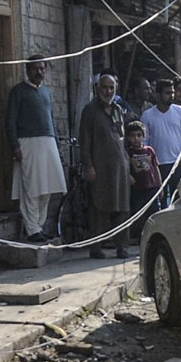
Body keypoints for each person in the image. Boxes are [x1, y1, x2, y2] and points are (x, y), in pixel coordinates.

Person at [5, 55, 64, 244]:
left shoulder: (46, 92)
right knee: (31, 188)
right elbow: (10, 120)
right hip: (28, 143)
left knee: (47, 187)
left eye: (42, 69)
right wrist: (15, 145)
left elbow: (51, 118)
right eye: (35, 69)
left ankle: (40, 226)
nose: (39, 72)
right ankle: (32, 229)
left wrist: (56, 141)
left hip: (48, 142)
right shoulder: (19, 92)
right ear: (28, 70)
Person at [77, 73, 132, 260]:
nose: (107, 91)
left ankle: (122, 246)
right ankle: (96, 247)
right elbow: (85, 142)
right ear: (97, 89)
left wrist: (127, 165)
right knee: (99, 208)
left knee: (122, 208)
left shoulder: (117, 109)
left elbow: (122, 139)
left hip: (120, 168)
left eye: (111, 88)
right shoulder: (90, 111)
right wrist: (89, 166)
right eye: (104, 87)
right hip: (100, 168)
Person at [141, 77, 181, 202]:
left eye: (172, 93)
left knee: (179, 199)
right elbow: (144, 142)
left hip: (177, 163)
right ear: (158, 95)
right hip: (157, 165)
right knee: (160, 199)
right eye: (167, 93)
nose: (171, 96)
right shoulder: (147, 115)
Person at [125, 119, 162, 243]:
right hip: (137, 189)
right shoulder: (128, 153)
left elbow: (155, 168)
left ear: (144, 136)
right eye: (132, 136)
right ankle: (139, 238)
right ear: (128, 138)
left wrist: (160, 186)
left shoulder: (149, 150)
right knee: (138, 215)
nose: (136, 139)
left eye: (139, 135)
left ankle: (154, 237)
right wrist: (129, 177)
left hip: (151, 188)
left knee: (154, 214)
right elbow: (125, 168)